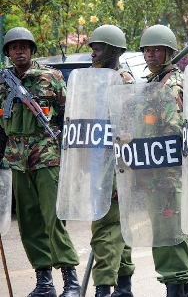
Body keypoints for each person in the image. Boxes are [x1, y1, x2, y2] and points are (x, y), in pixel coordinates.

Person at [0, 27, 81, 297]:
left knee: (53, 218)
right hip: (16, 157)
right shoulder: (2, 82)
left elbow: (68, 115)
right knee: (29, 221)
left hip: (46, 154)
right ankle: (44, 281)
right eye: (13, 47)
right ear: (8, 52)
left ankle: (70, 279)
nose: (19, 51)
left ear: (32, 50)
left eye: (24, 46)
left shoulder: (51, 76)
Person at [138, 24, 188, 296]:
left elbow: (173, 133)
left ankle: (177, 288)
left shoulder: (171, 85)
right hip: (154, 171)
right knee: (173, 232)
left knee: (169, 233)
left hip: (167, 173)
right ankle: (186, 288)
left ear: (169, 52)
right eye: (147, 50)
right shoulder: (153, 83)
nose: (151, 55)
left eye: (157, 50)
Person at [87, 24, 136, 297]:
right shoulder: (93, 80)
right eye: (93, 48)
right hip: (96, 163)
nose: (94, 52)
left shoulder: (123, 81)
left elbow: (130, 126)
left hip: (116, 165)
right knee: (120, 227)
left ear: (114, 50)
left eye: (99, 47)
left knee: (106, 227)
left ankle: (104, 287)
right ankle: (124, 286)